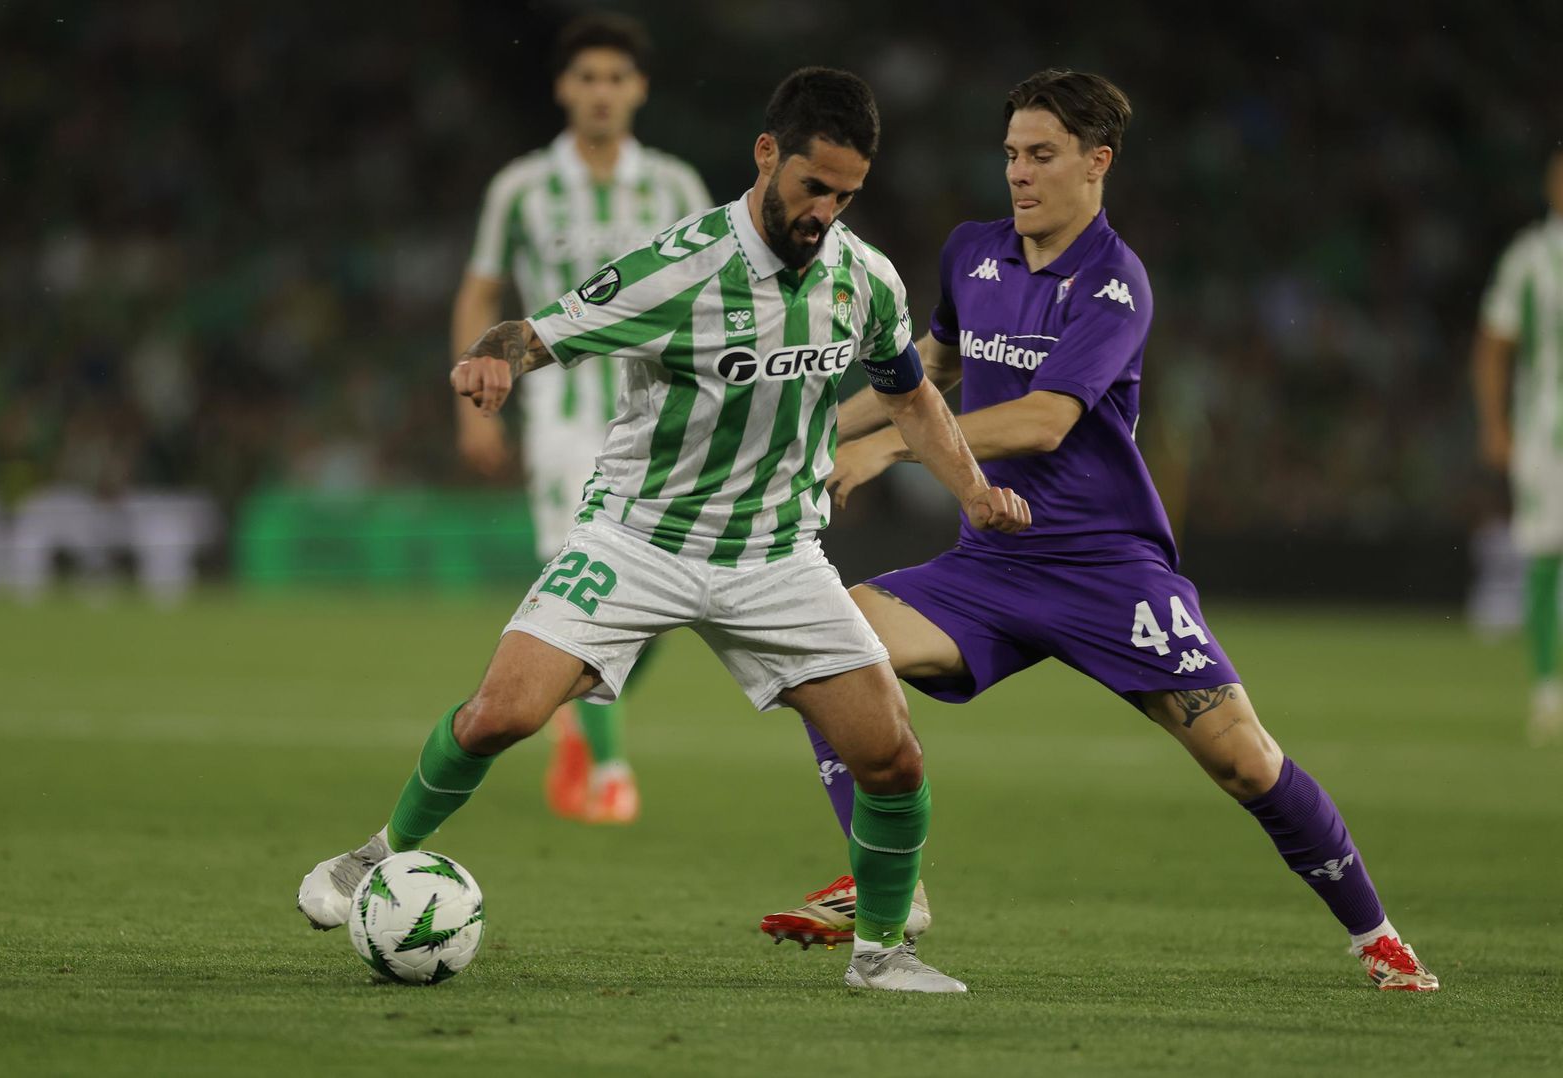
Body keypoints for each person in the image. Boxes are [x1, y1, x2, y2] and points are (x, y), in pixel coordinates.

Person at [299, 67, 1031, 993]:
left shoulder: (863, 278)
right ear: (767, 155)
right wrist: (492, 360)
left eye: (847, 195)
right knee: (501, 715)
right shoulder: (679, 267)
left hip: (774, 554)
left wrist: (970, 491)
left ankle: (882, 953)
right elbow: (542, 328)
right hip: (638, 538)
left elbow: (910, 394)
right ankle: (373, 856)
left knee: (889, 754)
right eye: (813, 188)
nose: (825, 213)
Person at [758, 69, 1440, 993]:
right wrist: (811, 430)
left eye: (1041, 156)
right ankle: (894, 885)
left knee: (1244, 762)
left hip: (1108, 569)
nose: (1019, 174)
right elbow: (924, 369)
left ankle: (1378, 937)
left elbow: (1044, 421)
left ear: (1097, 163)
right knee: (827, 650)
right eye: (1010, 155)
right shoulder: (972, 253)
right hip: (993, 562)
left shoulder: (1116, 283)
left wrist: (892, 454)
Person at [451, 13, 713, 824]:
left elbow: (717, 289)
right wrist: (472, 406)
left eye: (616, 78)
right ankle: (607, 769)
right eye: (587, 78)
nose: (601, 92)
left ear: (638, 89)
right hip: (563, 416)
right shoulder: (522, 186)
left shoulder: (674, 186)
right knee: (583, 578)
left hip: (664, 411)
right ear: (565, 88)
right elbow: (481, 290)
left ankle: (576, 704)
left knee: (665, 594)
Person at [1473, 146, 1563, 747]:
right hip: (1548, 432)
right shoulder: (1532, 257)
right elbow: (1494, 343)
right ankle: (1549, 693)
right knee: (1546, 553)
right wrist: (1496, 424)